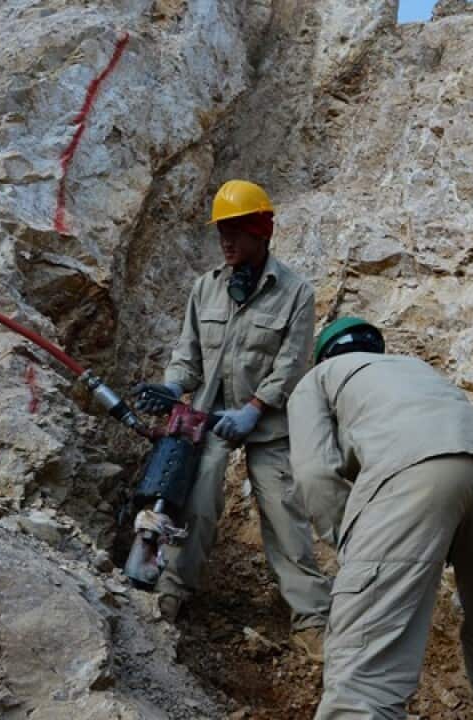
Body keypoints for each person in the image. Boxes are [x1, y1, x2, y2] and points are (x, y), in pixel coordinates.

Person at [286, 317, 473, 719]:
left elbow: (313, 472)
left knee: (363, 672)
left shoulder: (318, 378)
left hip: (413, 465)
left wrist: (352, 544)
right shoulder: (414, 368)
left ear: (324, 356)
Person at [131, 179, 331, 659]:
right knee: (195, 503)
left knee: (285, 516)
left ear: (262, 231)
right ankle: (172, 593)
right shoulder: (206, 288)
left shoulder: (296, 292)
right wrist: (174, 387)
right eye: (222, 230)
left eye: (237, 230)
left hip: (267, 422)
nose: (227, 240)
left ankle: (312, 621)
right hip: (208, 419)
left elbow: (292, 362)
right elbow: (188, 356)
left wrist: (254, 409)